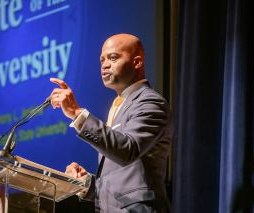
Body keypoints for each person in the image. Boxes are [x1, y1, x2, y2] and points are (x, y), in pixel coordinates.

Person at [49, 33, 172, 212]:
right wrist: (86, 184)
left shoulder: (151, 103)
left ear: (137, 62)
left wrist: (77, 113)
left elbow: (127, 150)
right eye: (102, 60)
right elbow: (120, 181)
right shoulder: (118, 106)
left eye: (113, 58)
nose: (105, 65)